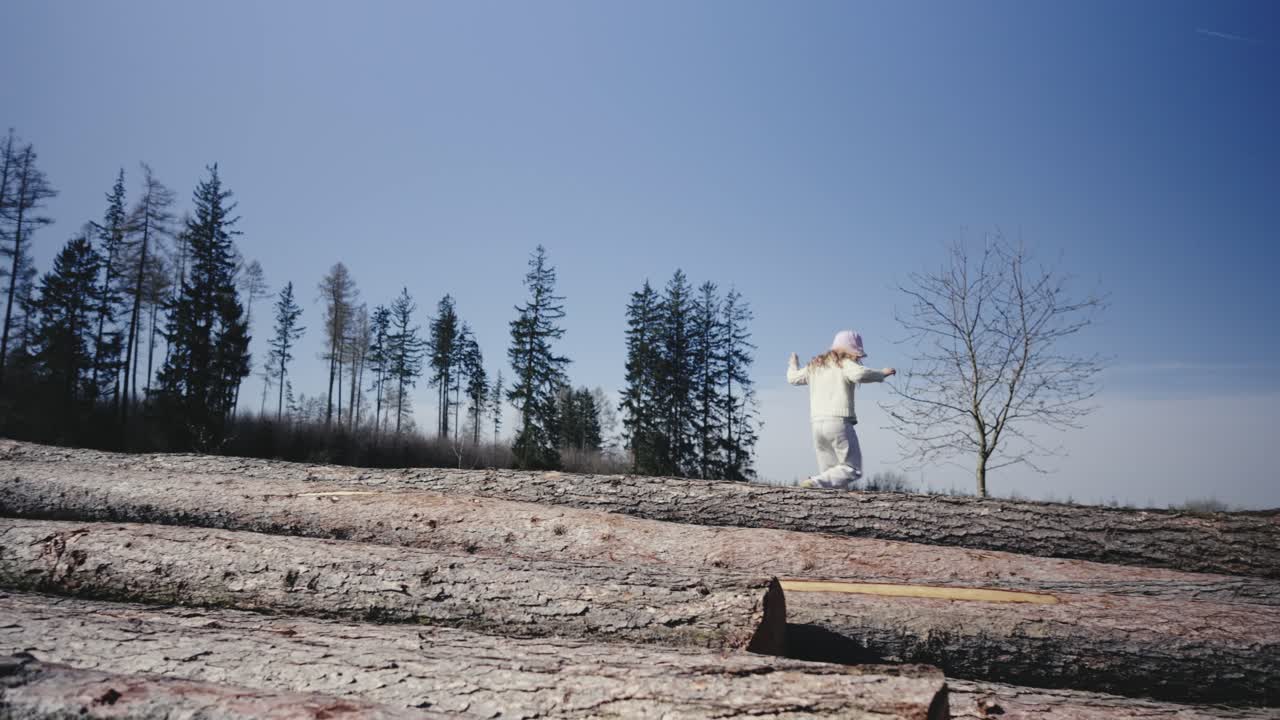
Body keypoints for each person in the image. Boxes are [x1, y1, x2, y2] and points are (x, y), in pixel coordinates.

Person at [787, 330, 896, 489]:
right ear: (849, 350)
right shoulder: (845, 364)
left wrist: (793, 364)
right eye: (857, 354)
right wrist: (882, 373)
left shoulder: (816, 365)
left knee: (831, 476)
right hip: (838, 423)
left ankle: (823, 498)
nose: (858, 358)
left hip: (817, 425)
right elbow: (859, 374)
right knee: (852, 469)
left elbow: (793, 378)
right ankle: (815, 482)